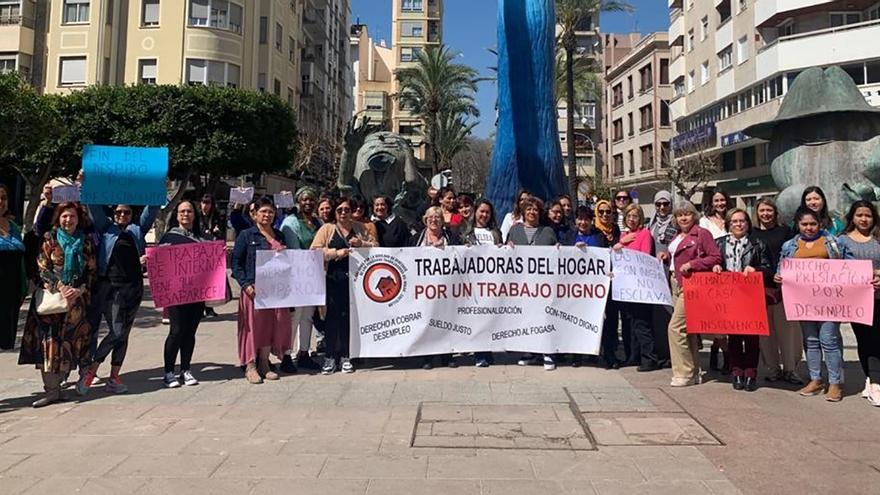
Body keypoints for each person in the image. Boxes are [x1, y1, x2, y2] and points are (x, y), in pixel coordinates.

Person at [78, 199, 161, 396]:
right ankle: (92, 370)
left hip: (134, 288)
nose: (122, 216)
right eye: (118, 213)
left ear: (132, 214)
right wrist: (85, 186)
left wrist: (160, 188)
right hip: (111, 288)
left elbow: (152, 208)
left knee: (124, 333)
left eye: (126, 213)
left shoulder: (138, 229)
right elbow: (93, 206)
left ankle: (114, 377)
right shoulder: (106, 228)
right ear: (113, 214)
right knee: (116, 330)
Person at [19, 203, 95, 407]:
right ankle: (51, 391)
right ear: (58, 219)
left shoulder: (85, 241)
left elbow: (91, 271)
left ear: (79, 219)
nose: (68, 221)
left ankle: (60, 388)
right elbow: (42, 267)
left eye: (72, 217)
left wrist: (78, 290)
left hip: (75, 305)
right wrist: (61, 287)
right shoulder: (49, 238)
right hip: (52, 301)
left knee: (69, 345)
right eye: (64, 217)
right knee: (50, 345)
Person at [775, 207, 847, 402]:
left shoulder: (832, 242)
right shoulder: (790, 245)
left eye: (813, 224)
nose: (809, 228)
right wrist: (779, 275)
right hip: (804, 302)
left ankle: (835, 382)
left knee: (829, 340)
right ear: (797, 225)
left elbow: (848, 265)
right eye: (804, 224)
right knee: (811, 341)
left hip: (830, 301)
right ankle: (816, 379)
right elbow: (781, 267)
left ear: (820, 223)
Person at [311, 197, 377, 374]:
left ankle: (347, 356)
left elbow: (377, 247)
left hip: (357, 282)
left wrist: (362, 244)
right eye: (339, 210)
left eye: (347, 209)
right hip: (333, 279)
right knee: (332, 319)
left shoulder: (360, 228)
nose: (343, 213)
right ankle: (330, 357)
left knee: (349, 319)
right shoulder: (327, 229)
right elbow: (314, 250)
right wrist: (335, 253)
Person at [660, 201, 722, 387]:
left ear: (694, 216)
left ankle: (684, 373)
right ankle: (694, 372)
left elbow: (715, 256)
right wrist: (667, 256)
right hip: (676, 282)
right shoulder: (678, 235)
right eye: (680, 215)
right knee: (687, 330)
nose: (683, 218)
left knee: (675, 327)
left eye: (687, 214)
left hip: (692, 285)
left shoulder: (702, 234)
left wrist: (693, 265)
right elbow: (677, 254)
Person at [232, 196, 292, 384]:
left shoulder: (278, 235)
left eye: (270, 212)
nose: (267, 215)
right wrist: (246, 285)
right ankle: (250, 365)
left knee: (269, 326)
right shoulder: (246, 235)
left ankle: (264, 363)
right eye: (263, 211)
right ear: (255, 214)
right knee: (251, 328)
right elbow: (236, 262)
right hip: (253, 289)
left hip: (274, 290)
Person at [711, 208, 772, 392]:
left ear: (747, 223)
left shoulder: (758, 243)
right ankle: (736, 371)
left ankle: (751, 372)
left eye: (742, 221)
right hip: (728, 294)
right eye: (735, 221)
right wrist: (715, 266)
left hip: (750, 295)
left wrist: (757, 270)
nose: (739, 224)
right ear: (729, 224)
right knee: (734, 336)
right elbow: (713, 261)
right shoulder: (719, 243)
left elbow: (769, 268)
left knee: (752, 336)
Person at [752, 198, 802, 385]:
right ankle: (772, 368)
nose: (766, 214)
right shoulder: (752, 233)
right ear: (757, 213)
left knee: (788, 330)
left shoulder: (786, 232)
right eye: (762, 210)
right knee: (766, 332)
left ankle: (791, 368)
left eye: (769, 210)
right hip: (760, 288)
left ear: (775, 212)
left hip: (784, 287)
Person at [159, 200, 209, 388]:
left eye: (189, 211)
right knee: (177, 331)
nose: (185, 214)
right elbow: (160, 263)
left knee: (190, 332)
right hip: (175, 294)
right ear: (177, 215)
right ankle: (169, 372)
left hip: (196, 293)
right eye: (182, 211)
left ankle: (185, 370)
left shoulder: (203, 238)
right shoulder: (169, 237)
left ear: (194, 214)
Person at [507, 197, 559, 370]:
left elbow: (557, 255)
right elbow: (505, 252)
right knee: (526, 318)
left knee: (544, 318)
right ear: (523, 212)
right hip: (522, 286)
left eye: (535, 209)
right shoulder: (514, 230)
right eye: (528, 209)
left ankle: (548, 353)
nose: (532, 212)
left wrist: (560, 250)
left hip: (543, 286)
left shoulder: (548, 231)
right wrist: (507, 247)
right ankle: (529, 351)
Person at [837, 200, 880, 406]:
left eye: (868, 215)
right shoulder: (842, 241)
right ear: (852, 217)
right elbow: (835, 268)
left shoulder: (878, 238)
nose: (864, 219)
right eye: (859, 215)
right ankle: (874, 381)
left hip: (879, 297)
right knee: (866, 340)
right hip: (856, 301)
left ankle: (873, 380)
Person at [410, 206, 462, 369]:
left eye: (438, 217)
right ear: (425, 220)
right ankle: (427, 357)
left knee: (447, 321)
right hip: (424, 289)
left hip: (446, 289)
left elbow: (461, 257)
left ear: (442, 221)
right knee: (426, 321)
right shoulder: (416, 239)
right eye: (431, 217)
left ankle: (447, 356)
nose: (434, 220)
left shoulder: (451, 237)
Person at [280, 186, 324, 372]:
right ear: (298, 201)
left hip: (314, 275)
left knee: (308, 316)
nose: (308, 202)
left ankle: (304, 352)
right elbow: (293, 250)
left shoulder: (318, 222)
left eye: (311, 199)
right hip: (296, 276)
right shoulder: (290, 222)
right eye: (304, 199)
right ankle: (287, 355)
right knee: (295, 316)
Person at [612, 204, 658, 371]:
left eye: (635, 216)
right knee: (630, 324)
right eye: (629, 216)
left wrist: (622, 246)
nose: (632, 219)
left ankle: (649, 358)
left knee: (642, 324)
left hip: (640, 287)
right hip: (626, 287)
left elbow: (643, 257)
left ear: (640, 218)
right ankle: (633, 356)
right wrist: (620, 244)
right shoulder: (623, 235)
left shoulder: (644, 234)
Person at [459, 199, 502, 368]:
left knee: (489, 317)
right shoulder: (465, 231)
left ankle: (487, 351)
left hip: (492, 283)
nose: (484, 215)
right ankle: (479, 354)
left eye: (487, 212)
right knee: (476, 317)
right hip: (472, 283)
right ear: (475, 212)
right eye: (481, 211)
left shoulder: (495, 232)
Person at [594, 199, 629, 368]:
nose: (605, 215)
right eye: (601, 212)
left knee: (613, 319)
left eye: (608, 212)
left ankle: (611, 354)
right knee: (600, 319)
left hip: (616, 281)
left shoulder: (616, 230)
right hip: (597, 283)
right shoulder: (593, 231)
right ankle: (600, 353)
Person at [699, 188, 731, 373]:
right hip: (713, 271)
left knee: (728, 317)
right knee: (718, 317)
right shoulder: (704, 222)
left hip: (730, 270)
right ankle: (726, 354)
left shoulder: (733, 217)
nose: (720, 204)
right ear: (711, 203)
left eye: (722, 200)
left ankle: (717, 349)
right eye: (716, 201)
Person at [0, 184, 26, 350]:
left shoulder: (14, 227)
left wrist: (23, 289)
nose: (0, 201)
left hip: (11, 293)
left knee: (3, 342)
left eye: (3, 197)